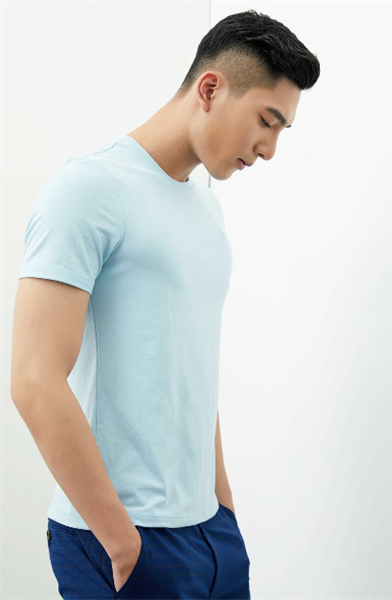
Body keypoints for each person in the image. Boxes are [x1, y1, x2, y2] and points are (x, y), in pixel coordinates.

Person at [11, 9, 320, 599]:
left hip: (211, 534)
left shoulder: (207, 210)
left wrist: (223, 510)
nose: (271, 149)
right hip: (122, 540)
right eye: (267, 120)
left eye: (282, 130)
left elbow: (192, 374)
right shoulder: (88, 190)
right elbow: (33, 378)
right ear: (210, 89)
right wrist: (120, 540)